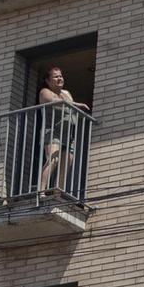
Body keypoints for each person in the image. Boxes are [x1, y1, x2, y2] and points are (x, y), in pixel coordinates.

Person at [36, 66, 89, 196]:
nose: (59, 78)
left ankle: (57, 193)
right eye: (55, 76)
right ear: (48, 81)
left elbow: (71, 108)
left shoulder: (66, 93)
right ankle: (41, 191)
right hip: (53, 132)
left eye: (60, 76)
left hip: (68, 134)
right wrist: (77, 105)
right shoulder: (45, 92)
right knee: (53, 159)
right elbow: (57, 102)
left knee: (66, 165)